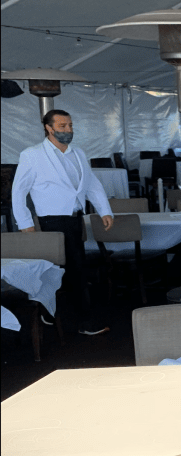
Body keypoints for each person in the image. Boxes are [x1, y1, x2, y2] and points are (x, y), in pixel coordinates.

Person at [11, 109, 113, 336]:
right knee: (68, 270)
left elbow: (91, 184)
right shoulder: (32, 154)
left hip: (75, 219)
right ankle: (84, 322)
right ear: (49, 128)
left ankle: (50, 313)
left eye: (70, 125)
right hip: (51, 221)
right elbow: (18, 191)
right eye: (63, 126)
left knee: (70, 270)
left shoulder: (78, 153)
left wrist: (105, 210)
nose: (68, 130)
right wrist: (24, 223)